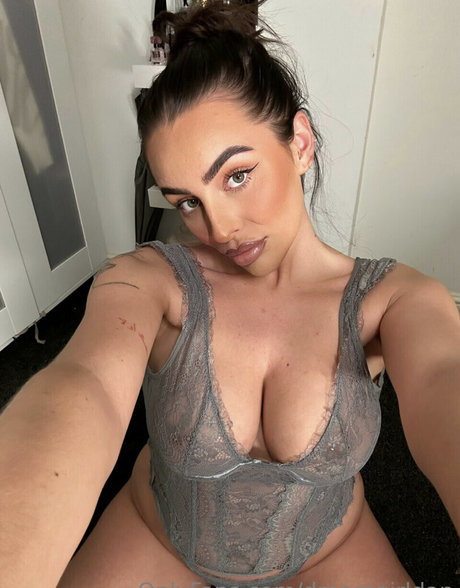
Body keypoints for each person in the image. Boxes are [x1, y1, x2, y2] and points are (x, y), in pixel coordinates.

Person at [1, 1, 458, 586]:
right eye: (188, 201)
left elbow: (444, 379)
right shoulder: (148, 281)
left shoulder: (390, 300)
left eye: (236, 175)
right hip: (161, 535)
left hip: (328, 545)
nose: (218, 229)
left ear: (299, 143)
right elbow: (83, 386)